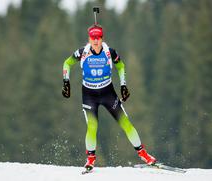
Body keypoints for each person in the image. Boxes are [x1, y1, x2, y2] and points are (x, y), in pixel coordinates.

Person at [62, 24, 157, 170]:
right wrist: (66, 82)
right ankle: (90, 159)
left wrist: (123, 85)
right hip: (89, 95)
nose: (95, 41)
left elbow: (121, 66)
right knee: (92, 127)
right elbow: (67, 63)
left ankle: (143, 154)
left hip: (107, 93)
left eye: (98, 38)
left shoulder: (109, 52)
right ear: (89, 39)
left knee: (126, 123)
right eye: (93, 38)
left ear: (102, 38)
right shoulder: (82, 53)